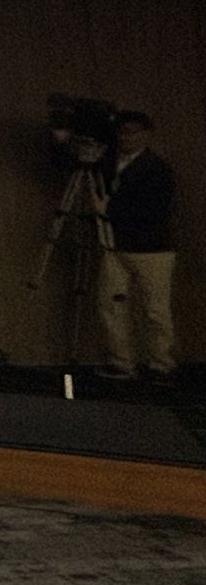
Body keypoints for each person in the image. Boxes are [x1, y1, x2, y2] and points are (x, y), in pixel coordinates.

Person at [96, 110, 177, 382]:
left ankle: (162, 365)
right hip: (115, 246)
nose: (127, 138)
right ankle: (122, 362)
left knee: (155, 310)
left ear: (146, 135)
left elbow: (154, 209)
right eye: (122, 132)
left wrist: (108, 210)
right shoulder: (108, 162)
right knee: (112, 306)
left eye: (133, 132)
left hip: (152, 250)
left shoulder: (157, 168)